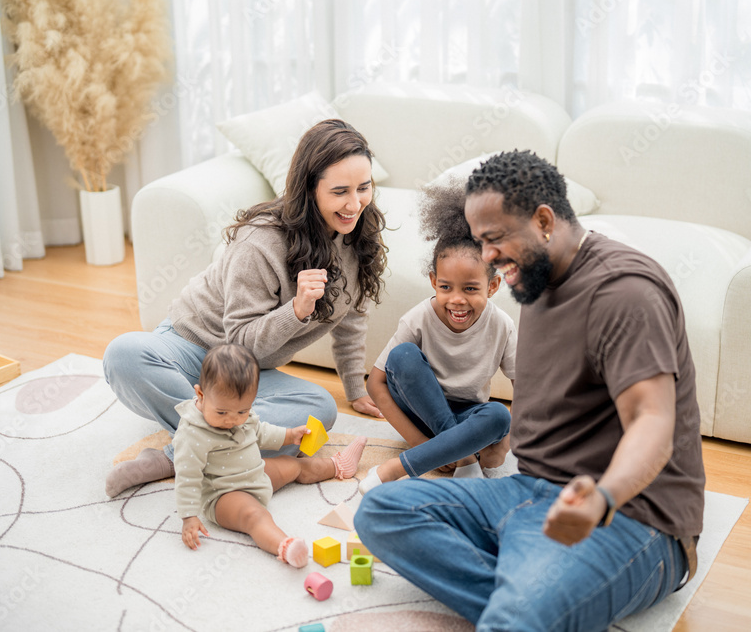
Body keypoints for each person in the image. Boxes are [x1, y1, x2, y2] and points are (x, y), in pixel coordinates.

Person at [355, 150, 705, 631]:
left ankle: (527, 606)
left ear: (543, 221)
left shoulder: (624, 292)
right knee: (381, 511)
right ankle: (533, 601)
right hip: (529, 494)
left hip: (632, 518)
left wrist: (603, 497)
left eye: (494, 239)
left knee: (516, 616)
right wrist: (507, 439)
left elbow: (653, 419)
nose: (488, 258)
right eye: (481, 242)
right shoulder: (536, 281)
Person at [103, 119, 388, 498]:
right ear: (310, 189)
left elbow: (351, 315)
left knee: (319, 410)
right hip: (190, 350)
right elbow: (238, 341)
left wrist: (354, 388)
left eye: (364, 187)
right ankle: (221, 448)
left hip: (249, 372)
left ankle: (179, 453)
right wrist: (296, 310)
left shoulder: (359, 231)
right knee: (123, 354)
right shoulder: (261, 241)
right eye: (340, 192)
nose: (355, 204)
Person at [360, 182, 516, 494]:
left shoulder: (501, 325)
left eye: (470, 288)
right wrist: (420, 443)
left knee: (500, 415)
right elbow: (375, 384)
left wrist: (504, 444)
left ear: (493, 286)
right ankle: (457, 457)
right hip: (420, 414)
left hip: (469, 419)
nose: (457, 299)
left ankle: (423, 459)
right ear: (433, 281)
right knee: (402, 355)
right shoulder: (418, 318)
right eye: (446, 287)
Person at [173, 344, 366, 567]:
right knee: (255, 515)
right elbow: (187, 476)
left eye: (242, 411)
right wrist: (188, 516)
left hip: (256, 476)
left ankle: (338, 465)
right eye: (222, 412)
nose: (232, 420)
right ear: (201, 394)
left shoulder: (239, 413)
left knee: (293, 463)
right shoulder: (192, 433)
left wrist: (290, 435)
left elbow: (260, 432)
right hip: (224, 495)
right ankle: (285, 546)